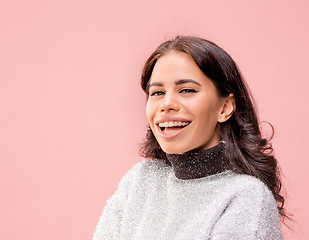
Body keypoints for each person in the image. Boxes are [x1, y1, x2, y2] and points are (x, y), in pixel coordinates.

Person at [93, 36, 286, 239]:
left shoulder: (247, 197)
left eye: (186, 90)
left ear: (225, 107)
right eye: (157, 92)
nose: (166, 104)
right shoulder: (138, 181)